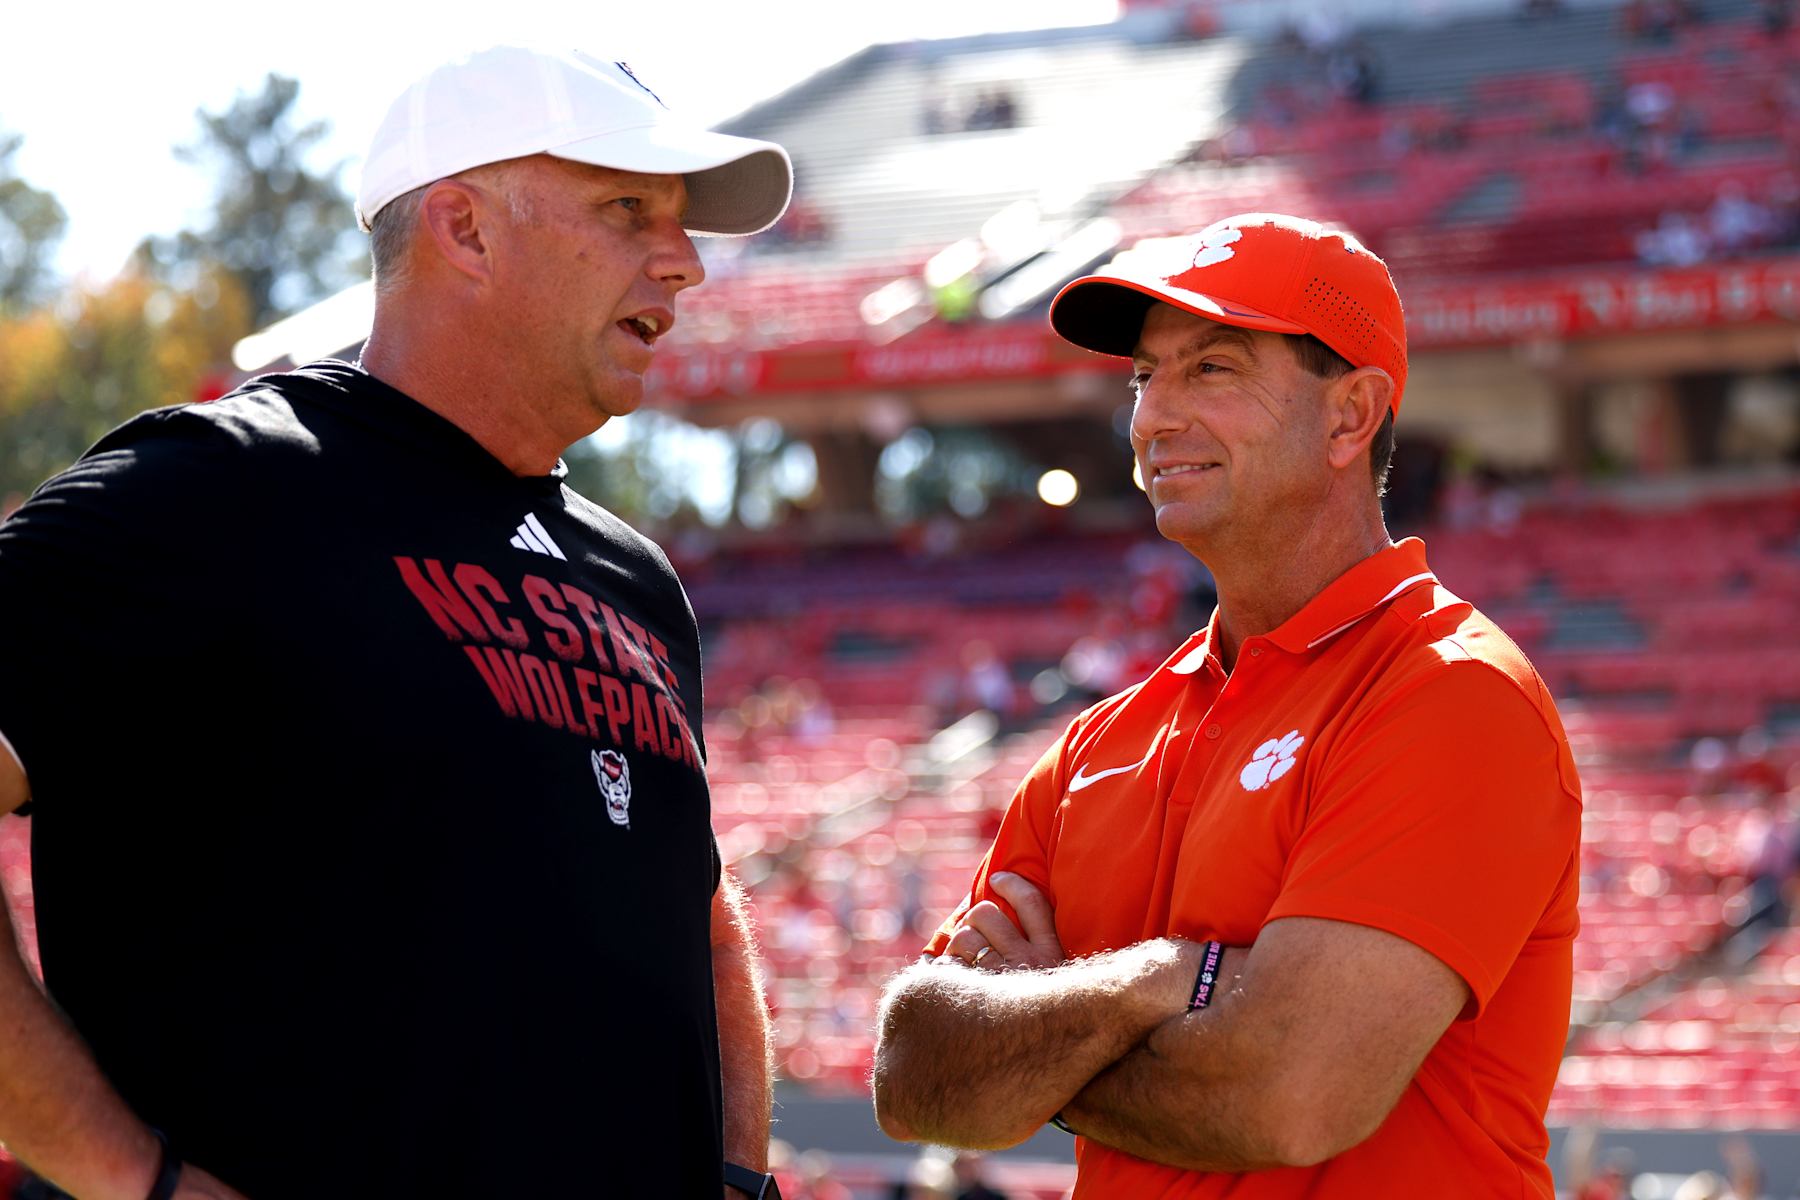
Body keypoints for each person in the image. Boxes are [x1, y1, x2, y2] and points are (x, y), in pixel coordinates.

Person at [0, 45, 794, 1198]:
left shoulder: (636, 580)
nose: (684, 264)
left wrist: (738, 1179)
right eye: (629, 209)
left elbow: (701, 917)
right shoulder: (213, 492)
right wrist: (129, 1179)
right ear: (464, 230)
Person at [871, 213, 1582, 1197]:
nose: (1153, 416)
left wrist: (1038, 1043)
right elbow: (916, 1081)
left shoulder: (1452, 693)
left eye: (1212, 367)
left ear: (1350, 416)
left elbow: (1288, 1096)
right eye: (1142, 376)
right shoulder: (1096, 743)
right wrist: (1163, 980)